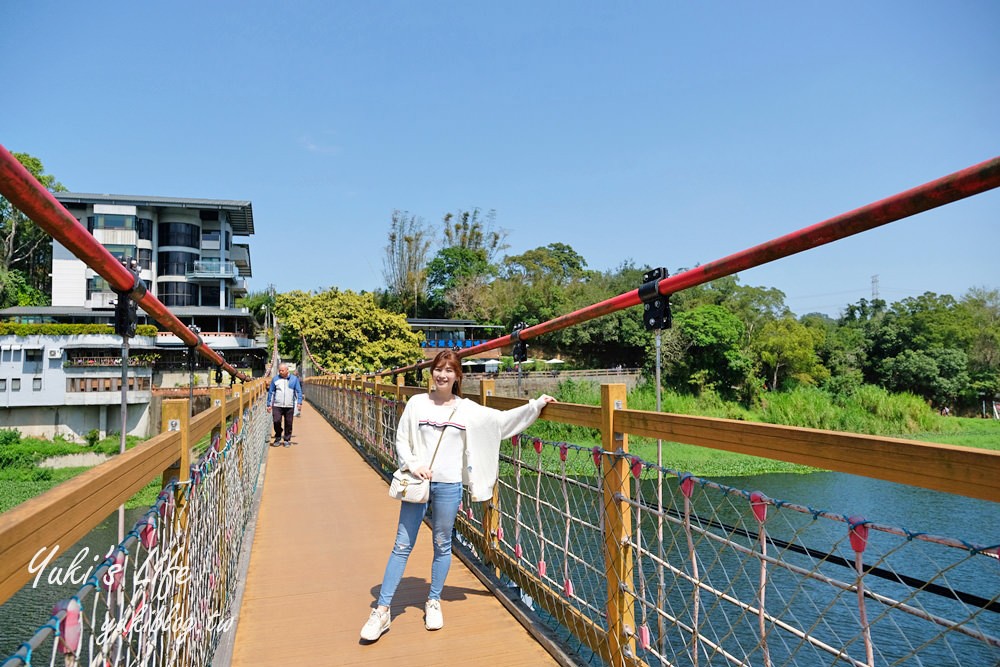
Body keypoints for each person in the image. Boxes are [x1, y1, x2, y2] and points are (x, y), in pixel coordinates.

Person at [360, 349, 556, 642]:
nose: (442, 375)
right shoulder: (416, 404)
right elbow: (402, 439)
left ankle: (434, 600)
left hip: (449, 484)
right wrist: (415, 464)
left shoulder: (467, 409)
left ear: (457, 376)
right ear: (432, 373)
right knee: (402, 545)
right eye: (438, 369)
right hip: (417, 482)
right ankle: (383, 610)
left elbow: (501, 423)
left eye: (449, 370)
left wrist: (536, 405)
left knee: (442, 543)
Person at [266, 363, 303, 447]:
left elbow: (298, 391)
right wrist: (269, 404)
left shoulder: (294, 379)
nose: (280, 372)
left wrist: (299, 403)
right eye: (279, 370)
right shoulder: (275, 379)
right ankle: (278, 436)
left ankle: (287, 439)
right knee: (276, 421)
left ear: (287, 370)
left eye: (282, 370)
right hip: (277, 404)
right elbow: (271, 392)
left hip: (289, 405)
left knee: (289, 423)